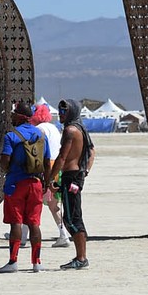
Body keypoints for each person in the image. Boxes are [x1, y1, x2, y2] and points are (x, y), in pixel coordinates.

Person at [0, 102, 51, 273]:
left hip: (16, 183)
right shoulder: (41, 135)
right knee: (34, 223)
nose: (11, 116)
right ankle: (37, 262)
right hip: (35, 183)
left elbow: (5, 161)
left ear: (20, 117)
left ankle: (13, 262)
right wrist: (46, 183)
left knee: (16, 223)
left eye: (13, 114)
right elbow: (47, 163)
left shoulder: (11, 136)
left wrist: (9, 170)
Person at [49, 99, 96, 269]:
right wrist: (85, 171)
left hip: (71, 177)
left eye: (64, 111)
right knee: (71, 216)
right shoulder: (81, 129)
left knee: (72, 218)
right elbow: (91, 152)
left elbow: (62, 157)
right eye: (60, 110)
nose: (61, 114)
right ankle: (80, 257)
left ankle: (81, 258)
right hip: (75, 176)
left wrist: (50, 178)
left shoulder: (70, 130)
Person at [29, 103, 70, 248]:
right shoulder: (54, 127)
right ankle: (63, 233)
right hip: (57, 167)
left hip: (46, 167)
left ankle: (22, 236)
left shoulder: (39, 129)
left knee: (32, 202)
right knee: (53, 204)